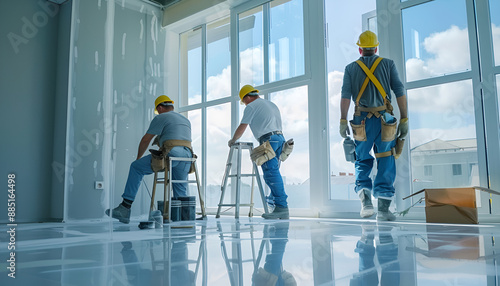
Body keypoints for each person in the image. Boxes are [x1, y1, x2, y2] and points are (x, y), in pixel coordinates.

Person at [339, 31, 408, 221]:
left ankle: (366, 203)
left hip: (361, 121)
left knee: (361, 159)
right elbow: (399, 90)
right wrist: (404, 118)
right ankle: (384, 210)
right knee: (386, 158)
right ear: (376, 47)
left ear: (360, 49)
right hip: (385, 120)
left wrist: (343, 120)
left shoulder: (350, 68)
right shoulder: (388, 64)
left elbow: (345, 96)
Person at [106, 95, 193, 224]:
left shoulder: (161, 117)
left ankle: (125, 208)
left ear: (160, 107)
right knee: (180, 187)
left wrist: (138, 158)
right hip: (187, 157)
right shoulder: (185, 120)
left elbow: (146, 139)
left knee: (136, 167)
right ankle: (185, 218)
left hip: (171, 153)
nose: (157, 112)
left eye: (158, 110)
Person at [228, 85, 289, 219]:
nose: (244, 104)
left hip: (269, 140)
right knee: (275, 172)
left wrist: (233, 140)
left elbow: (242, 126)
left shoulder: (251, 106)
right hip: (280, 139)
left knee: (271, 174)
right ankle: (275, 202)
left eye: (244, 101)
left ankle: (281, 207)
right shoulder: (270, 104)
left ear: (247, 97)